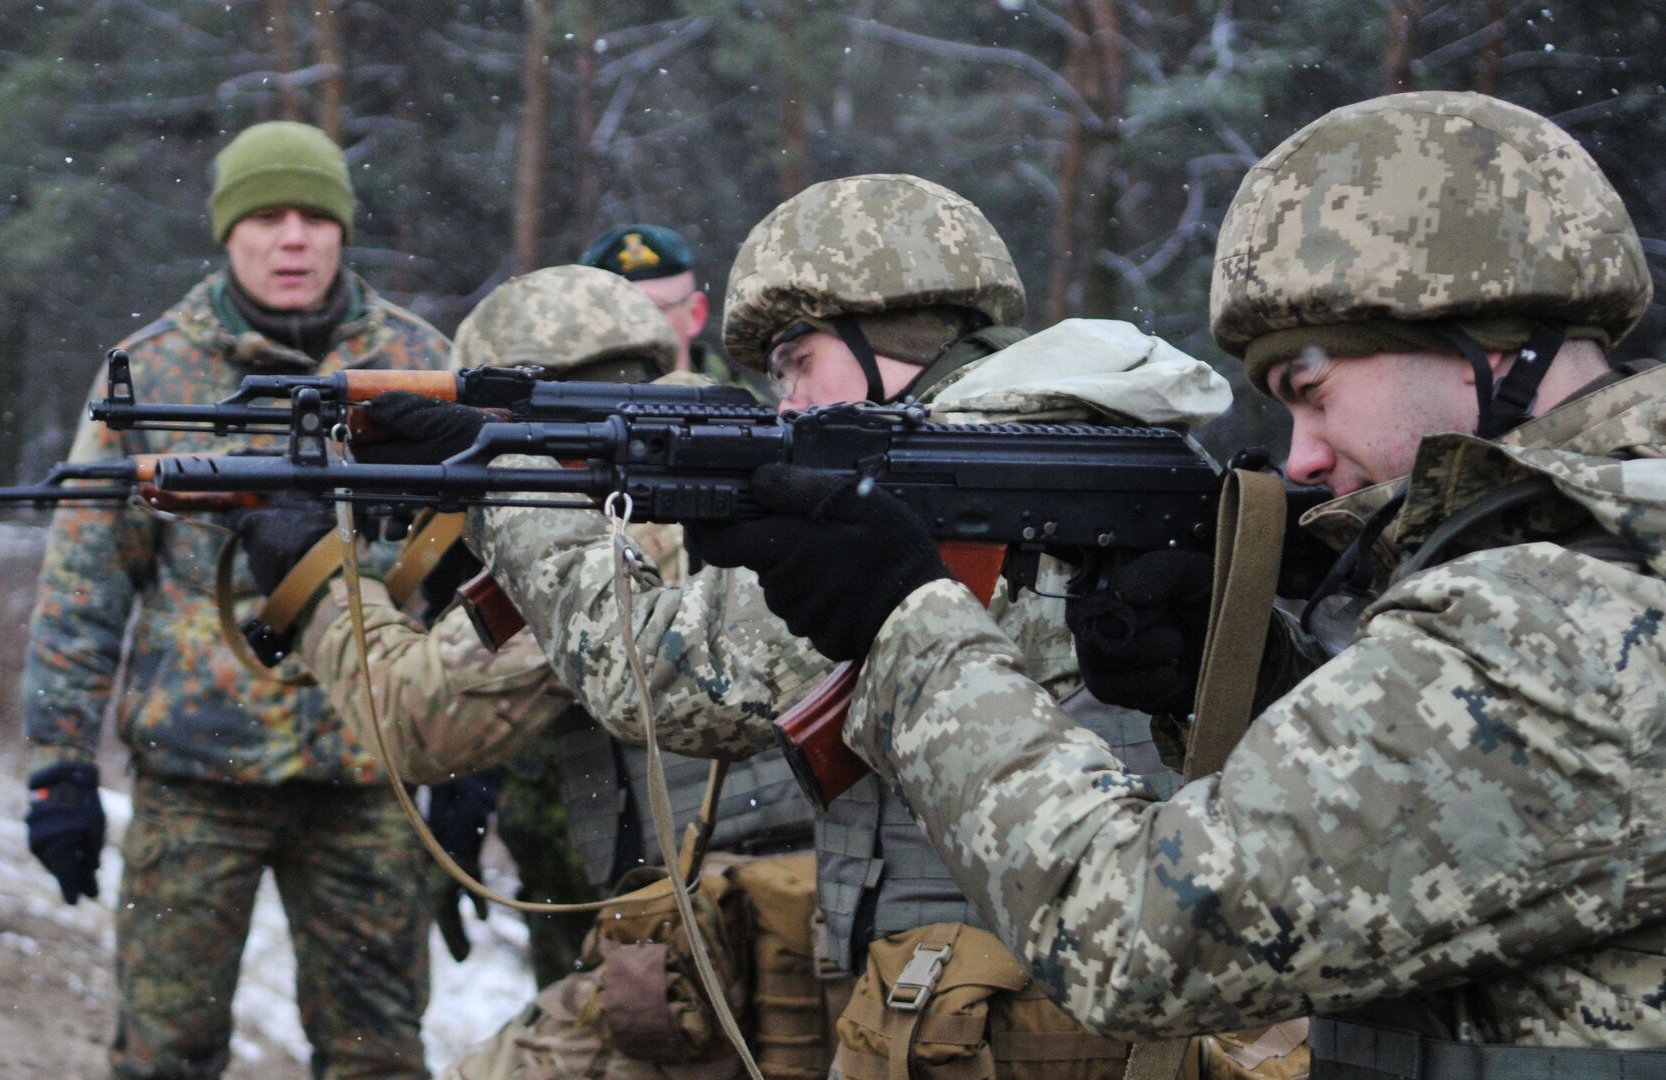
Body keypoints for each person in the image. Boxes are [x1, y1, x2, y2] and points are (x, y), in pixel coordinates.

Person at [692, 92, 1666, 1073]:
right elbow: (1440, 855)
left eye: (1309, 391)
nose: (1307, 457)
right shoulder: (1594, 569)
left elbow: (1133, 939)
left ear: (1480, 342)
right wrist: (1236, 673)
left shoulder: (1565, 620)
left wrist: (904, 627)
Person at [375, 175, 1276, 1078]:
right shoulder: (1076, 442)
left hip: (1012, 1017)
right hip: (998, 1004)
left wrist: (513, 486)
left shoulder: (958, 481)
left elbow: (653, 678)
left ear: (883, 336)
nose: (786, 401)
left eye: (795, 360)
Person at [233, 264, 827, 1079]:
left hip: (750, 952)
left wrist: (315, 585)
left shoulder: (621, 513)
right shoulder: (725, 457)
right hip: (770, 929)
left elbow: (420, 720)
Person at [20, 120, 449, 1079]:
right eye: (265, 216)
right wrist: (59, 765)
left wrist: (472, 764)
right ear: (227, 232)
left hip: (370, 772)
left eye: (311, 216)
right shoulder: (154, 373)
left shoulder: (419, 365)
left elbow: (468, 569)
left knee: (379, 1055)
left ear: (342, 231)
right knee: (165, 1050)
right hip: (194, 777)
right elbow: (84, 582)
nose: (290, 238)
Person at [580, 222, 764, 394]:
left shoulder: (748, 413)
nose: (632, 328)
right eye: (614, 314)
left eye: (652, 310)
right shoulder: (565, 410)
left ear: (695, 314)